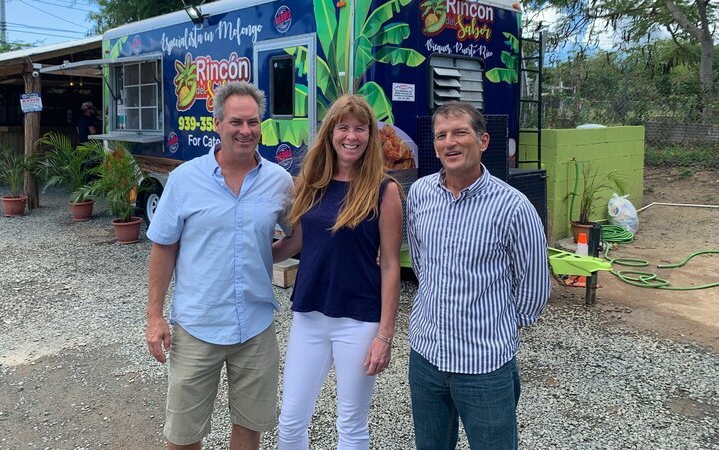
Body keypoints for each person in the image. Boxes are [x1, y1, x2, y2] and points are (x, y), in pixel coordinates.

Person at [145, 81, 294, 450]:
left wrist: (265, 257)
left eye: (253, 122)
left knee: (249, 427)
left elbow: (298, 237)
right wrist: (154, 316)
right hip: (198, 326)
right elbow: (163, 247)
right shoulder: (185, 179)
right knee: (184, 435)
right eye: (236, 122)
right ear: (217, 124)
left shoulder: (279, 181)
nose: (246, 130)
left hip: (255, 327)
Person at [406, 101, 551, 450]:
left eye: (460, 133)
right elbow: (421, 263)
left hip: (484, 364)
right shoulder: (420, 194)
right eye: (441, 135)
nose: (450, 143)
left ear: (483, 141)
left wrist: (497, 327)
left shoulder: (513, 207)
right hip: (426, 356)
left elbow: (534, 287)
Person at [272, 94, 403, 450]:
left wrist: (385, 335)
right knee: (290, 421)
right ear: (330, 132)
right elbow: (297, 241)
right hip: (310, 314)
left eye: (360, 128)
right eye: (343, 127)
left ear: (370, 135)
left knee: (351, 425)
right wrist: (251, 256)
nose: (351, 136)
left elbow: (391, 265)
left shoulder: (385, 190)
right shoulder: (313, 182)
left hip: (358, 321)